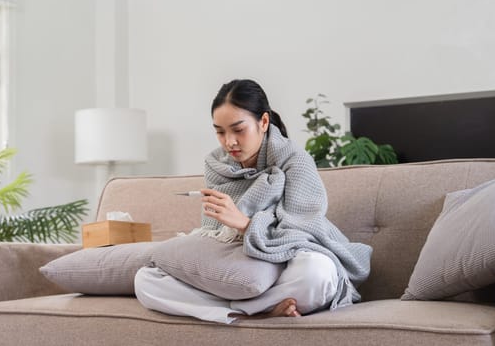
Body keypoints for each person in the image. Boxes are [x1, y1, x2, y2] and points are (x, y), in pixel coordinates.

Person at [134, 79, 372, 324]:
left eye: (238, 130)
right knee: (146, 281)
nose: (229, 142)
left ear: (264, 122)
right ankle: (257, 311)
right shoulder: (216, 166)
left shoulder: (295, 161)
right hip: (236, 267)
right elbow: (214, 238)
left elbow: (303, 231)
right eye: (220, 131)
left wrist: (245, 225)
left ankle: (237, 309)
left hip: (286, 259)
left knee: (318, 273)